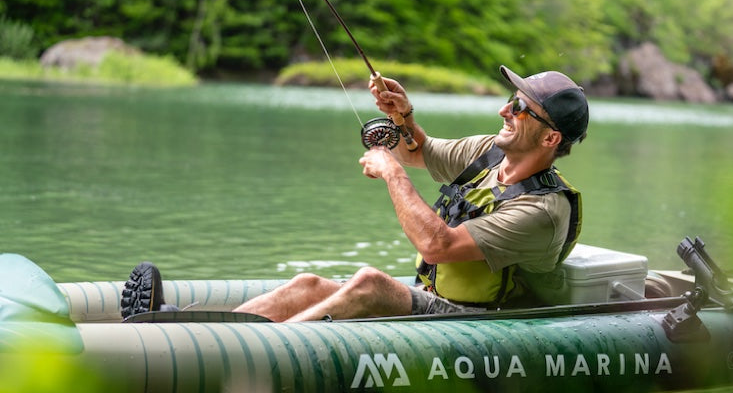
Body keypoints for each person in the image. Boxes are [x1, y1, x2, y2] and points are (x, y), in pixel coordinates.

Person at [121, 65, 588, 322]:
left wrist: (390, 173)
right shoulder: (488, 150)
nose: (505, 109)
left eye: (522, 108)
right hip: (435, 296)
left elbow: (437, 246)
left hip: (478, 322)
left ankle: (249, 353)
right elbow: (419, 152)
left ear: (550, 139)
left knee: (369, 283)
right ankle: (185, 328)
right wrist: (402, 116)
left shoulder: (545, 211)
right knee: (306, 284)